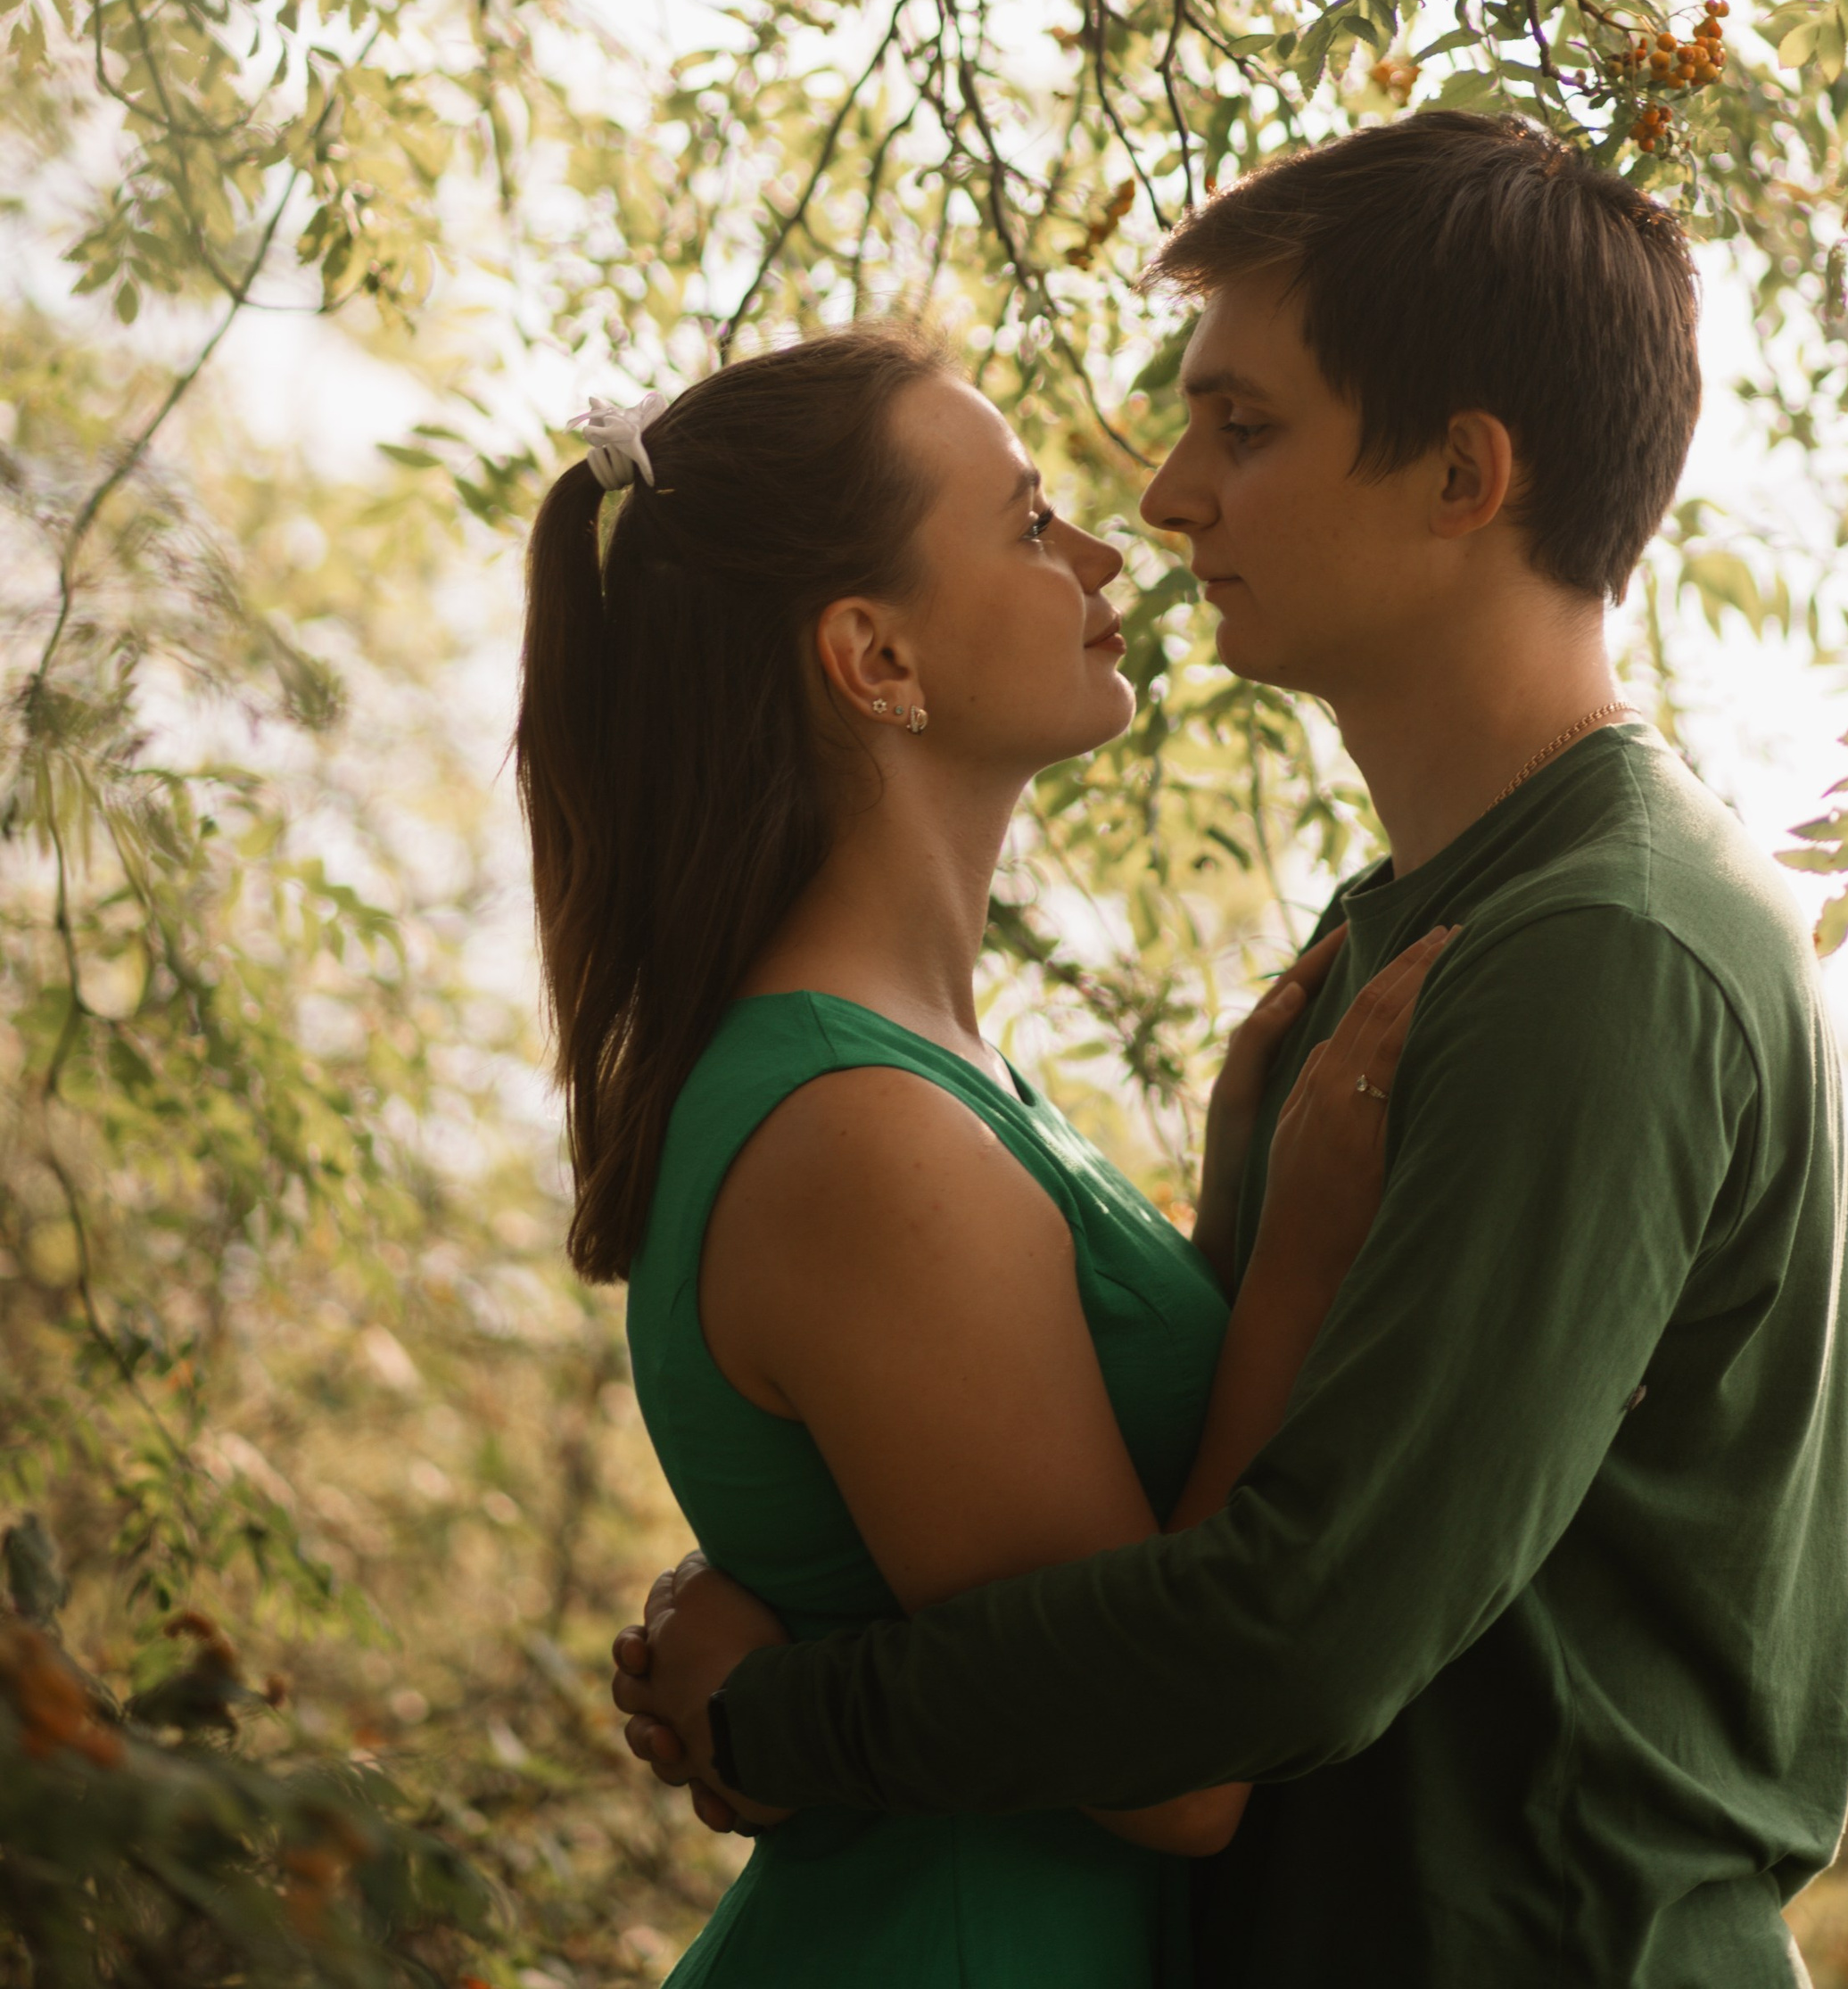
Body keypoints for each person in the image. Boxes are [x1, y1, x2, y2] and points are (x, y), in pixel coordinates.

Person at [613, 112, 1848, 1985]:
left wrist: (788, 1709)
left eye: (1244, 425)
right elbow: (1235, 1488)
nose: (1171, 495)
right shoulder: (1403, 931)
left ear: (1461, 470)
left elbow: (1292, 1628)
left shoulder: (1597, 951)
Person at [516, 319, 1454, 1989]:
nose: (1105, 547)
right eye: (1028, 523)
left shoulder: (928, 1076)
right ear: (875, 658)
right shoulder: (862, 1131)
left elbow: (1075, 1556)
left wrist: (1234, 1210)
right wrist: (1299, 1261)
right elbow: (1171, 1768)